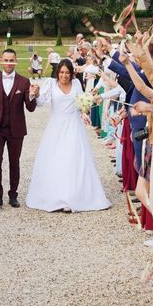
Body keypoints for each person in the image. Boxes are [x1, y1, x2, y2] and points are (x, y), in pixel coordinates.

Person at [25, 59, 110, 212]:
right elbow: (41, 102)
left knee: (74, 158)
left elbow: (81, 100)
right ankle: (56, 196)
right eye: (62, 72)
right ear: (58, 73)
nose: (64, 75)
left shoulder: (76, 84)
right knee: (56, 159)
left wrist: (86, 104)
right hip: (56, 126)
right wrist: (36, 94)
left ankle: (74, 196)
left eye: (67, 73)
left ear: (71, 74)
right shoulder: (51, 83)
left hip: (73, 126)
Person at [0, 48, 38, 210]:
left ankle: (13, 194)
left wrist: (33, 95)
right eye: (6, 60)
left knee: (15, 162)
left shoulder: (24, 82)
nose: (8, 63)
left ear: (16, 61)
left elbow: (31, 107)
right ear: (1, 60)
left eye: (11, 60)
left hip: (16, 129)